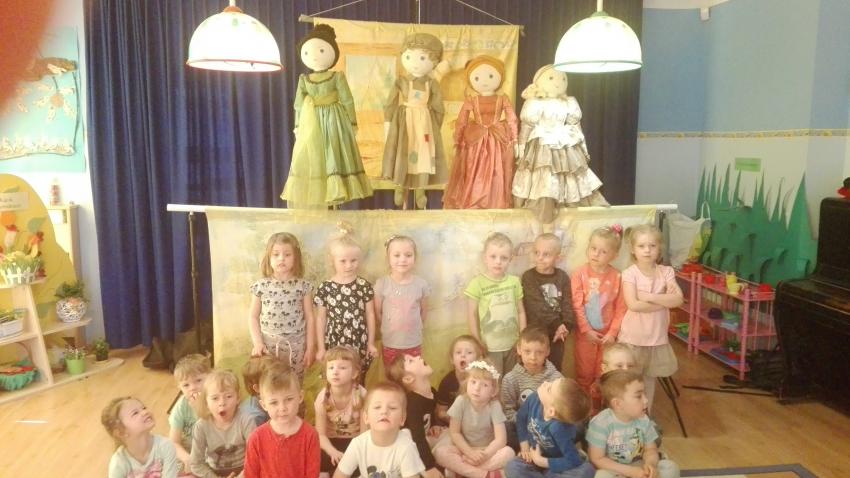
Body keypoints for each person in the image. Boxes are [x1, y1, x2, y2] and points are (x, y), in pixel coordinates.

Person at [280, 23, 373, 208]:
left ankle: (336, 194)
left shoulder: (337, 77)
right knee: (316, 156)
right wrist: (298, 126)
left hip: (334, 121)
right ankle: (324, 195)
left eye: (321, 50)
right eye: (308, 52)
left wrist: (352, 122)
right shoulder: (304, 80)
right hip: (312, 123)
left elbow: (347, 100)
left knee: (334, 153)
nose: (314, 56)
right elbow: (298, 105)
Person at [512, 65, 608, 230]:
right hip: (542, 144)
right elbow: (526, 127)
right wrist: (521, 147)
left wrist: (583, 147)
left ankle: (568, 214)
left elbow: (576, 127)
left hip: (565, 142)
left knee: (570, 175)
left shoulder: (569, 102)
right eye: (551, 78)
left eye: (563, 78)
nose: (558, 82)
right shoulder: (534, 103)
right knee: (545, 176)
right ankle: (545, 217)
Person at [618, 225, 683, 413]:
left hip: (656, 338)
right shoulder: (630, 274)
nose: (647, 250)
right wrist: (664, 301)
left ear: (659, 248)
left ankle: (644, 416)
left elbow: (678, 300)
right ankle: (626, 417)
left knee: (649, 380)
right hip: (633, 338)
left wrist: (649, 296)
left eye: (652, 246)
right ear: (633, 249)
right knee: (629, 381)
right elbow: (634, 305)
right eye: (641, 246)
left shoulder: (666, 272)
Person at [382, 32, 448, 209]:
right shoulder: (401, 81)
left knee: (423, 153)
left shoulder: (432, 84)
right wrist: (388, 122)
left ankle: (420, 190)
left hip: (424, 122)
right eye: (409, 56)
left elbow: (439, 107)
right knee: (404, 150)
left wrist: (435, 127)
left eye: (422, 58)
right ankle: (400, 186)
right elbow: (390, 102)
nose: (415, 63)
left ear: (434, 61)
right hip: (404, 120)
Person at [444, 55, 518, 210]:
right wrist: (458, 139)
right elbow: (462, 120)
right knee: (474, 169)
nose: (484, 81)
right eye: (477, 77)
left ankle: (494, 200)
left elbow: (512, 118)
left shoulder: (503, 99)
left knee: (496, 169)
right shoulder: (471, 100)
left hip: (497, 138)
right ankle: (474, 199)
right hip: (476, 138)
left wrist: (515, 139)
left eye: (491, 76)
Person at [587, 370, 680, 478]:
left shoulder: (644, 420)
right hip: (615, 470)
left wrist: (650, 465)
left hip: (640, 466)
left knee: (670, 468)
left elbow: (651, 449)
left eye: (644, 394)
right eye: (639, 396)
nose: (646, 400)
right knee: (601, 476)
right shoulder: (600, 423)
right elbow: (597, 459)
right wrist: (629, 472)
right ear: (618, 404)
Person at [248, 232, 315, 379]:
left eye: (287, 254)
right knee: (269, 382)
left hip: (296, 347)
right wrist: (258, 343)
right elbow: (253, 317)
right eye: (276, 254)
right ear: (268, 258)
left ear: (296, 258)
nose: (281, 258)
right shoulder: (260, 286)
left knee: (294, 383)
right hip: (268, 348)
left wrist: (310, 348)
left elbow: (310, 318)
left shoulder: (303, 286)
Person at [315, 224, 378, 376]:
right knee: (335, 377)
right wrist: (321, 348)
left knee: (357, 377)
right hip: (334, 342)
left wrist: (370, 343)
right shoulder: (325, 287)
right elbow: (321, 319)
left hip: (358, 342)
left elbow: (370, 315)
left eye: (353, 260)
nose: (349, 265)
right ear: (332, 261)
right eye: (343, 261)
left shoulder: (364, 286)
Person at [433, 360, 516, 477]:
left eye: (484, 385)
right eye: (473, 382)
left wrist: (484, 456)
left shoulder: (494, 406)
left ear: (493, 391)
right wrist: (470, 453)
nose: (477, 388)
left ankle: (461, 472)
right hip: (464, 449)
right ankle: (485, 475)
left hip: (487, 450)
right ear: (466, 383)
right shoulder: (461, 401)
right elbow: (455, 433)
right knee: (440, 452)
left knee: (509, 453)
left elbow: (501, 439)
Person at [571, 226, 627, 396]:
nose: (596, 254)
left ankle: (601, 403)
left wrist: (613, 333)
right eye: (593, 248)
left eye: (603, 251)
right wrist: (586, 330)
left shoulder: (618, 277)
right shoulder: (579, 274)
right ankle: (584, 404)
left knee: (604, 372)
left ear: (614, 256)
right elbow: (576, 305)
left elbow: (621, 308)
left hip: (608, 337)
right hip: (585, 335)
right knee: (584, 371)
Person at [505, 378, 594, 478]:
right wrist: (524, 446)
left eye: (549, 389)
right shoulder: (534, 398)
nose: (545, 383)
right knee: (512, 466)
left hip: (556, 461)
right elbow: (521, 418)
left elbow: (573, 460)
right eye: (551, 382)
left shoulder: (560, 428)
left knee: (586, 470)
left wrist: (540, 461)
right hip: (532, 456)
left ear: (551, 411)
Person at [334, 381, 426, 478]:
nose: (384, 411)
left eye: (392, 408)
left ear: (402, 418)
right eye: (377, 407)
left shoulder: (406, 447)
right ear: (366, 417)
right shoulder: (358, 444)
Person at [466, 232, 527, 374]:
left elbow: (520, 311)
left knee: (512, 379)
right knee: (494, 381)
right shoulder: (477, 283)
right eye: (493, 256)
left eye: (503, 257)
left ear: (510, 259)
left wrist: (522, 338)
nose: (498, 261)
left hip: (513, 345)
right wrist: (476, 341)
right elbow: (472, 314)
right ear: (485, 258)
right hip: (490, 347)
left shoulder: (514, 281)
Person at [244, 367, 320, 478]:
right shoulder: (256, 439)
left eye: (289, 399)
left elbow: (312, 474)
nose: (282, 408)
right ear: (264, 405)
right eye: (274, 402)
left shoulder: (310, 435)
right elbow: (250, 475)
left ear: (300, 397)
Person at [501, 327, 564, 450]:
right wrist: (527, 423)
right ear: (519, 350)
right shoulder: (510, 379)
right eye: (527, 351)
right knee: (505, 427)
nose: (533, 357)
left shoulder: (556, 378)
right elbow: (508, 411)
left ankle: (551, 451)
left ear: (547, 351)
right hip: (522, 428)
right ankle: (524, 452)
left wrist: (544, 423)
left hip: (548, 428)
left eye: (539, 352)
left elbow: (561, 408)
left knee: (575, 424)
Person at [374, 235, 431, 369]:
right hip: (390, 342)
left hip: (413, 342)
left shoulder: (421, 284)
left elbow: (424, 311)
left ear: (415, 258)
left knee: (413, 374)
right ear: (388, 258)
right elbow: (378, 312)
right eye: (397, 255)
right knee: (392, 375)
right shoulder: (382, 284)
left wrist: (413, 328)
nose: (402, 259)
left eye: (408, 255)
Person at [521, 233, 576, 371]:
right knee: (532, 369)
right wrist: (558, 324)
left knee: (554, 370)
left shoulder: (562, 277)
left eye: (546, 254)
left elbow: (568, 303)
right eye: (536, 252)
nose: (540, 257)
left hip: (557, 336)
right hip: (535, 334)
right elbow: (537, 305)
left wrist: (566, 326)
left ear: (557, 258)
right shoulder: (528, 277)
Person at [190, 369, 257, 478]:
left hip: (245, 470)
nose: (222, 403)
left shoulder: (246, 421)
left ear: (238, 398)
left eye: (228, 396)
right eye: (215, 398)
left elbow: (256, 457)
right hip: (213, 472)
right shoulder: (201, 426)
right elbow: (196, 463)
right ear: (206, 403)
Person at [387, 354, 445, 478]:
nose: (418, 357)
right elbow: (417, 438)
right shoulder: (412, 404)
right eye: (411, 361)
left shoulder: (432, 392)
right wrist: (429, 467)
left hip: (422, 441)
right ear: (408, 378)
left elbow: (430, 411)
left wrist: (434, 424)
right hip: (408, 446)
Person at [314, 346, 367, 475]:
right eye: (331, 367)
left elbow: (364, 433)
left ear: (354, 373)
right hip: (329, 441)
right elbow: (320, 435)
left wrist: (354, 453)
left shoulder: (362, 395)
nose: (335, 372)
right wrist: (332, 451)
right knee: (317, 459)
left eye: (342, 368)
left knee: (362, 464)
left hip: (355, 441)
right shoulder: (322, 398)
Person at [102, 396, 179, 478]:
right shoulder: (119, 463)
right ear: (120, 432)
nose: (145, 412)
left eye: (144, 408)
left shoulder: (165, 446)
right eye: (135, 413)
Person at [168, 353, 211, 473]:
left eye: (198, 380)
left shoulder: (216, 400)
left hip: (214, 451)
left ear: (211, 377)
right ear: (179, 387)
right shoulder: (181, 407)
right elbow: (174, 442)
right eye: (186, 385)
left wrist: (199, 408)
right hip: (190, 451)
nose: (192, 388)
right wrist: (187, 459)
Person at [436, 335, 486, 426]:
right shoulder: (447, 382)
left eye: (469, 352)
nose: (463, 355)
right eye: (458, 352)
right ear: (452, 359)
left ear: (479, 359)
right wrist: (456, 421)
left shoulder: (484, 380)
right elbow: (441, 412)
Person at [240, 356, 288, 428]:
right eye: (273, 381)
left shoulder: (262, 398)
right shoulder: (255, 417)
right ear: (257, 388)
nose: (279, 383)